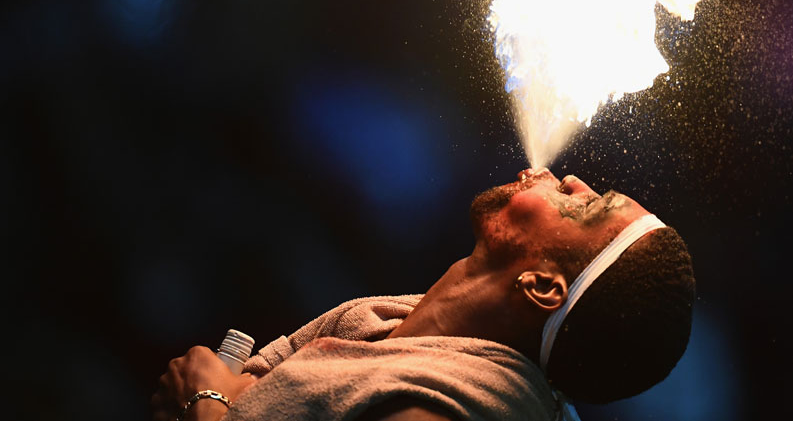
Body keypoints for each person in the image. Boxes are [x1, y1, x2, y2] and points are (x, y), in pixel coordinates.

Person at [152, 169, 696, 421]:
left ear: (542, 286)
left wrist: (206, 406)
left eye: (585, 207)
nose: (572, 180)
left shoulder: (441, 415)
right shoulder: (393, 326)